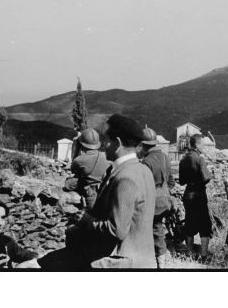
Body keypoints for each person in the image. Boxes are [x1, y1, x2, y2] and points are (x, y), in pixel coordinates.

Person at [40, 114, 156, 269]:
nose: (103, 145)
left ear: (118, 143)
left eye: (107, 140)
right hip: (143, 258)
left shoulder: (125, 177)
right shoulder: (143, 170)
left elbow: (117, 230)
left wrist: (86, 220)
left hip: (121, 261)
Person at [138, 126, 175, 269]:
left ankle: (161, 262)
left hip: (154, 202)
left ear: (143, 145)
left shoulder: (146, 161)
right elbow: (171, 181)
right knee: (160, 229)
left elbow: (144, 186)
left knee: (156, 229)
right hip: (166, 199)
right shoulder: (165, 157)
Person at [178, 134, 213, 261]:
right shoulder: (199, 159)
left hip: (188, 194)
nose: (203, 147)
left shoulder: (183, 160)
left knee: (189, 222)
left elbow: (181, 181)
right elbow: (206, 177)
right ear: (197, 145)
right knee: (204, 224)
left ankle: (189, 253)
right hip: (199, 194)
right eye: (202, 144)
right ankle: (203, 255)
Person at [64, 128, 110, 211]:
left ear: (82, 144)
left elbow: (73, 170)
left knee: (68, 183)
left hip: (91, 195)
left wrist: (77, 147)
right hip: (104, 192)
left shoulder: (80, 160)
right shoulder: (106, 156)